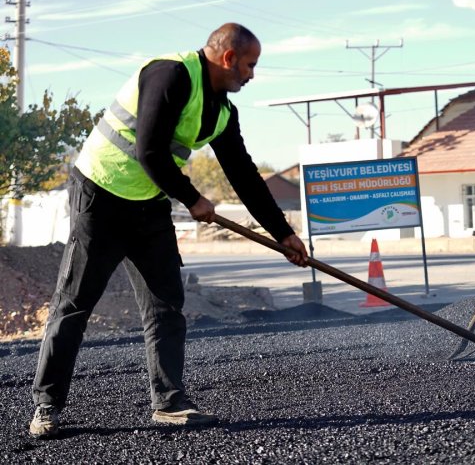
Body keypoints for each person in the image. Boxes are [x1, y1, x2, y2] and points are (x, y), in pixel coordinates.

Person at [28, 23, 309, 439]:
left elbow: (245, 175)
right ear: (228, 58)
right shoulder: (170, 74)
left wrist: (283, 233)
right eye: (250, 65)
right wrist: (193, 198)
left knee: (165, 305)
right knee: (75, 303)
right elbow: (149, 150)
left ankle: (170, 403)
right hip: (100, 195)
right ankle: (47, 407)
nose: (252, 75)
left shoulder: (222, 112)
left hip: (149, 203)